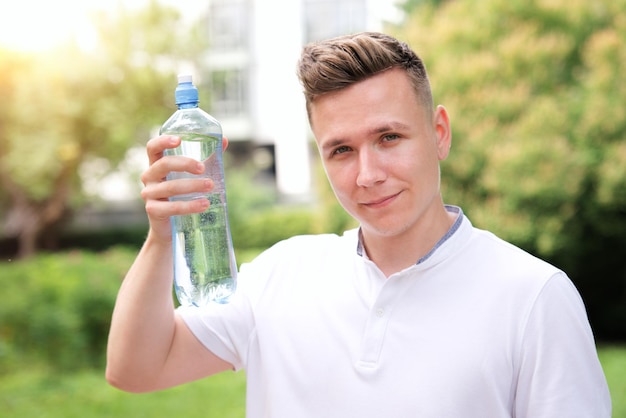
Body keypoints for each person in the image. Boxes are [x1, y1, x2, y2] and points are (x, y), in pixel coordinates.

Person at [106, 32, 611, 417]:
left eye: (389, 138)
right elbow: (136, 368)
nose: (367, 175)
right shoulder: (283, 272)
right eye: (342, 150)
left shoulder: (534, 296)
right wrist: (160, 236)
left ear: (439, 134)